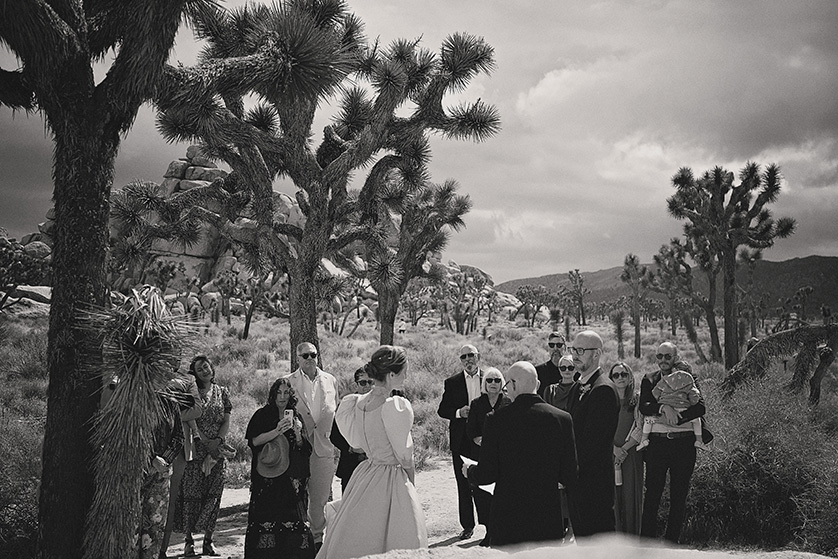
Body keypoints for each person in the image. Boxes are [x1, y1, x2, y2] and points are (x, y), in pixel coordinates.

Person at [318, 345, 427, 559]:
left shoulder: (356, 403)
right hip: (391, 475)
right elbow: (405, 456)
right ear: (392, 374)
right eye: (404, 370)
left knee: (357, 530)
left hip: (366, 473)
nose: (406, 375)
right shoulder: (394, 407)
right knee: (400, 534)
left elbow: (357, 444)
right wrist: (410, 483)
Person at [464, 361, 577, 548]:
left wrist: (470, 471)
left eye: (507, 386)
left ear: (513, 385)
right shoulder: (562, 419)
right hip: (547, 517)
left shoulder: (495, 421)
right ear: (538, 385)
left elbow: (486, 474)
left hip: (509, 518)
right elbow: (570, 474)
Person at [639, 342, 707, 544]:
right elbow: (644, 405)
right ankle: (647, 544)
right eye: (659, 356)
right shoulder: (649, 379)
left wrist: (679, 416)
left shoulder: (689, 378)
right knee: (652, 494)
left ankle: (671, 543)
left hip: (683, 445)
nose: (663, 360)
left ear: (675, 358)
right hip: (657, 445)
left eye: (667, 356)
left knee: (679, 495)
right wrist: (663, 408)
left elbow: (700, 407)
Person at [244, 378, 316, 559]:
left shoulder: (296, 416)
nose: (282, 397)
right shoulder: (262, 415)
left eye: (286, 392)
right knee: (265, 520)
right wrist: (277, 431)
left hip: (292, 479)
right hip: (267, 479)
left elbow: (305, 449)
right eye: (279, 392)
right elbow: (253, 441)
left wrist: (298, 432)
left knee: (294, 521)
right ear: (273, 394)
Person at [174, 356, 232, 557]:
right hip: (195, 449)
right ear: (195, 374)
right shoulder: (191, 392)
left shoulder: (222, 392)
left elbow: (226, 420)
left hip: (217, 451)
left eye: (206, 366)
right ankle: (189, 541)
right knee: (191, 495)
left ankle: (208, 540)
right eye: (199, 369)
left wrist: (217, 440)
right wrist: (204, 439)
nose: (205, 371)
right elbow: (190, 419)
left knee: (213, 496)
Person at [283, 342, 339, 550]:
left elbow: (335, 413)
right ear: (297, 358)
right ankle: (295, 538)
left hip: (324, 447)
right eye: (304, 355)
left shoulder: (330, 380)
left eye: (313, 354)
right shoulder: (288, 382)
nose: (309, 358)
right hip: (296, 449)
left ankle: (317, 540)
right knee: (294, 495)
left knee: (320, 497)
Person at [566, 330, 620, 538]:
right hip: (578, 484)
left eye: (580, 350)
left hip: (594, 485)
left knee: (598, 544)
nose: (575, 355)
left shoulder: (603, 390)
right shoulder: (577, 386)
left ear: (596, 354)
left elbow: (592, 444)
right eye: (573, 350)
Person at [437, 343, 486, 540]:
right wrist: (458, 413)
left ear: (478, 357)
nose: (468, 359)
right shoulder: (452, 382)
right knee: (463, 484)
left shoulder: (490, 378)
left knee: (485, 482)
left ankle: (489, 524)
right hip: (461, 441)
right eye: (464, 356)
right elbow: (442, 410)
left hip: (484, 440)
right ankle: (467, 526)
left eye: (471, 355)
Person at [465, 367, 512, 546]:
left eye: (497, 380)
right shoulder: (477, 403)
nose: (493, 384)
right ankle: (488, 531)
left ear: (502, 383)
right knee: (482, 494)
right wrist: (479, 439)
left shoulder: (508, 402)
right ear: (485, 383)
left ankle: (500, 531)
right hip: (481, 455)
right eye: (490, 380)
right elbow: (470, 429)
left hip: (504, 456)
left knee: (500, 495)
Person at [636, 360, 704, 451]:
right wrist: (663, 407)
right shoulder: (688, 382)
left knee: (648, 420)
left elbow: (700, 408)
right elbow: (644, 407)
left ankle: (644, 440)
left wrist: (674, 419)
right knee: (697, 421)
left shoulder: (666, 380)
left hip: (684, 441)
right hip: (658, 441)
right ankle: (699, 441)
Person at [609, 362, 644, 535]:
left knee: (631, 498)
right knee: (612, 499)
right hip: (610, 454)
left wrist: (624, 449)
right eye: (616, 375)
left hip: (631, 455)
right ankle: (614, 540)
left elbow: (641, 426)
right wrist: (614, 449)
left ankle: (632, 540)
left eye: (624, 374)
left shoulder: (636, 399)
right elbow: (600, 429)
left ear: (630, 376)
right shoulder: (606, 400)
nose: (620, 378)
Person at [330, 367, 373, 493]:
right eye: (363, 382)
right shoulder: (347, 405)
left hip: (375, 464)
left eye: (370, 382)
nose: (367, 386)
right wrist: (351, 448)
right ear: (356, 384)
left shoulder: (382, 405)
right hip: (351, 463)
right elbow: (334, 435)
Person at [535, 331, 567, 398]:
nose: (555, 348)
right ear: (548, 348)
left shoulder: (572, 370)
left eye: (559, 345)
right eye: (551, 345)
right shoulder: (539, 371)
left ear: (565, 347)